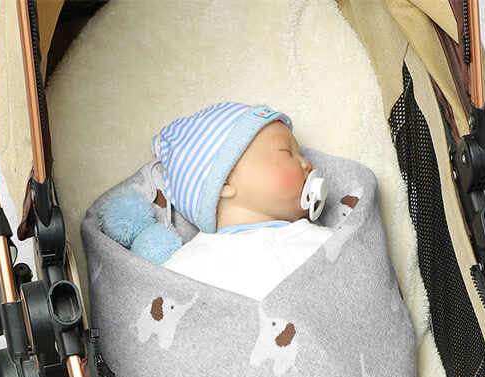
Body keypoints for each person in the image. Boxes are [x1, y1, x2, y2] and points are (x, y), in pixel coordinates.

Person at [101, 102, 332, 301]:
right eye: (287, 152)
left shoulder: (330, 242)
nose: (307, 164)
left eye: (301, 154)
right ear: (224, 183)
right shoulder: (183, 271)